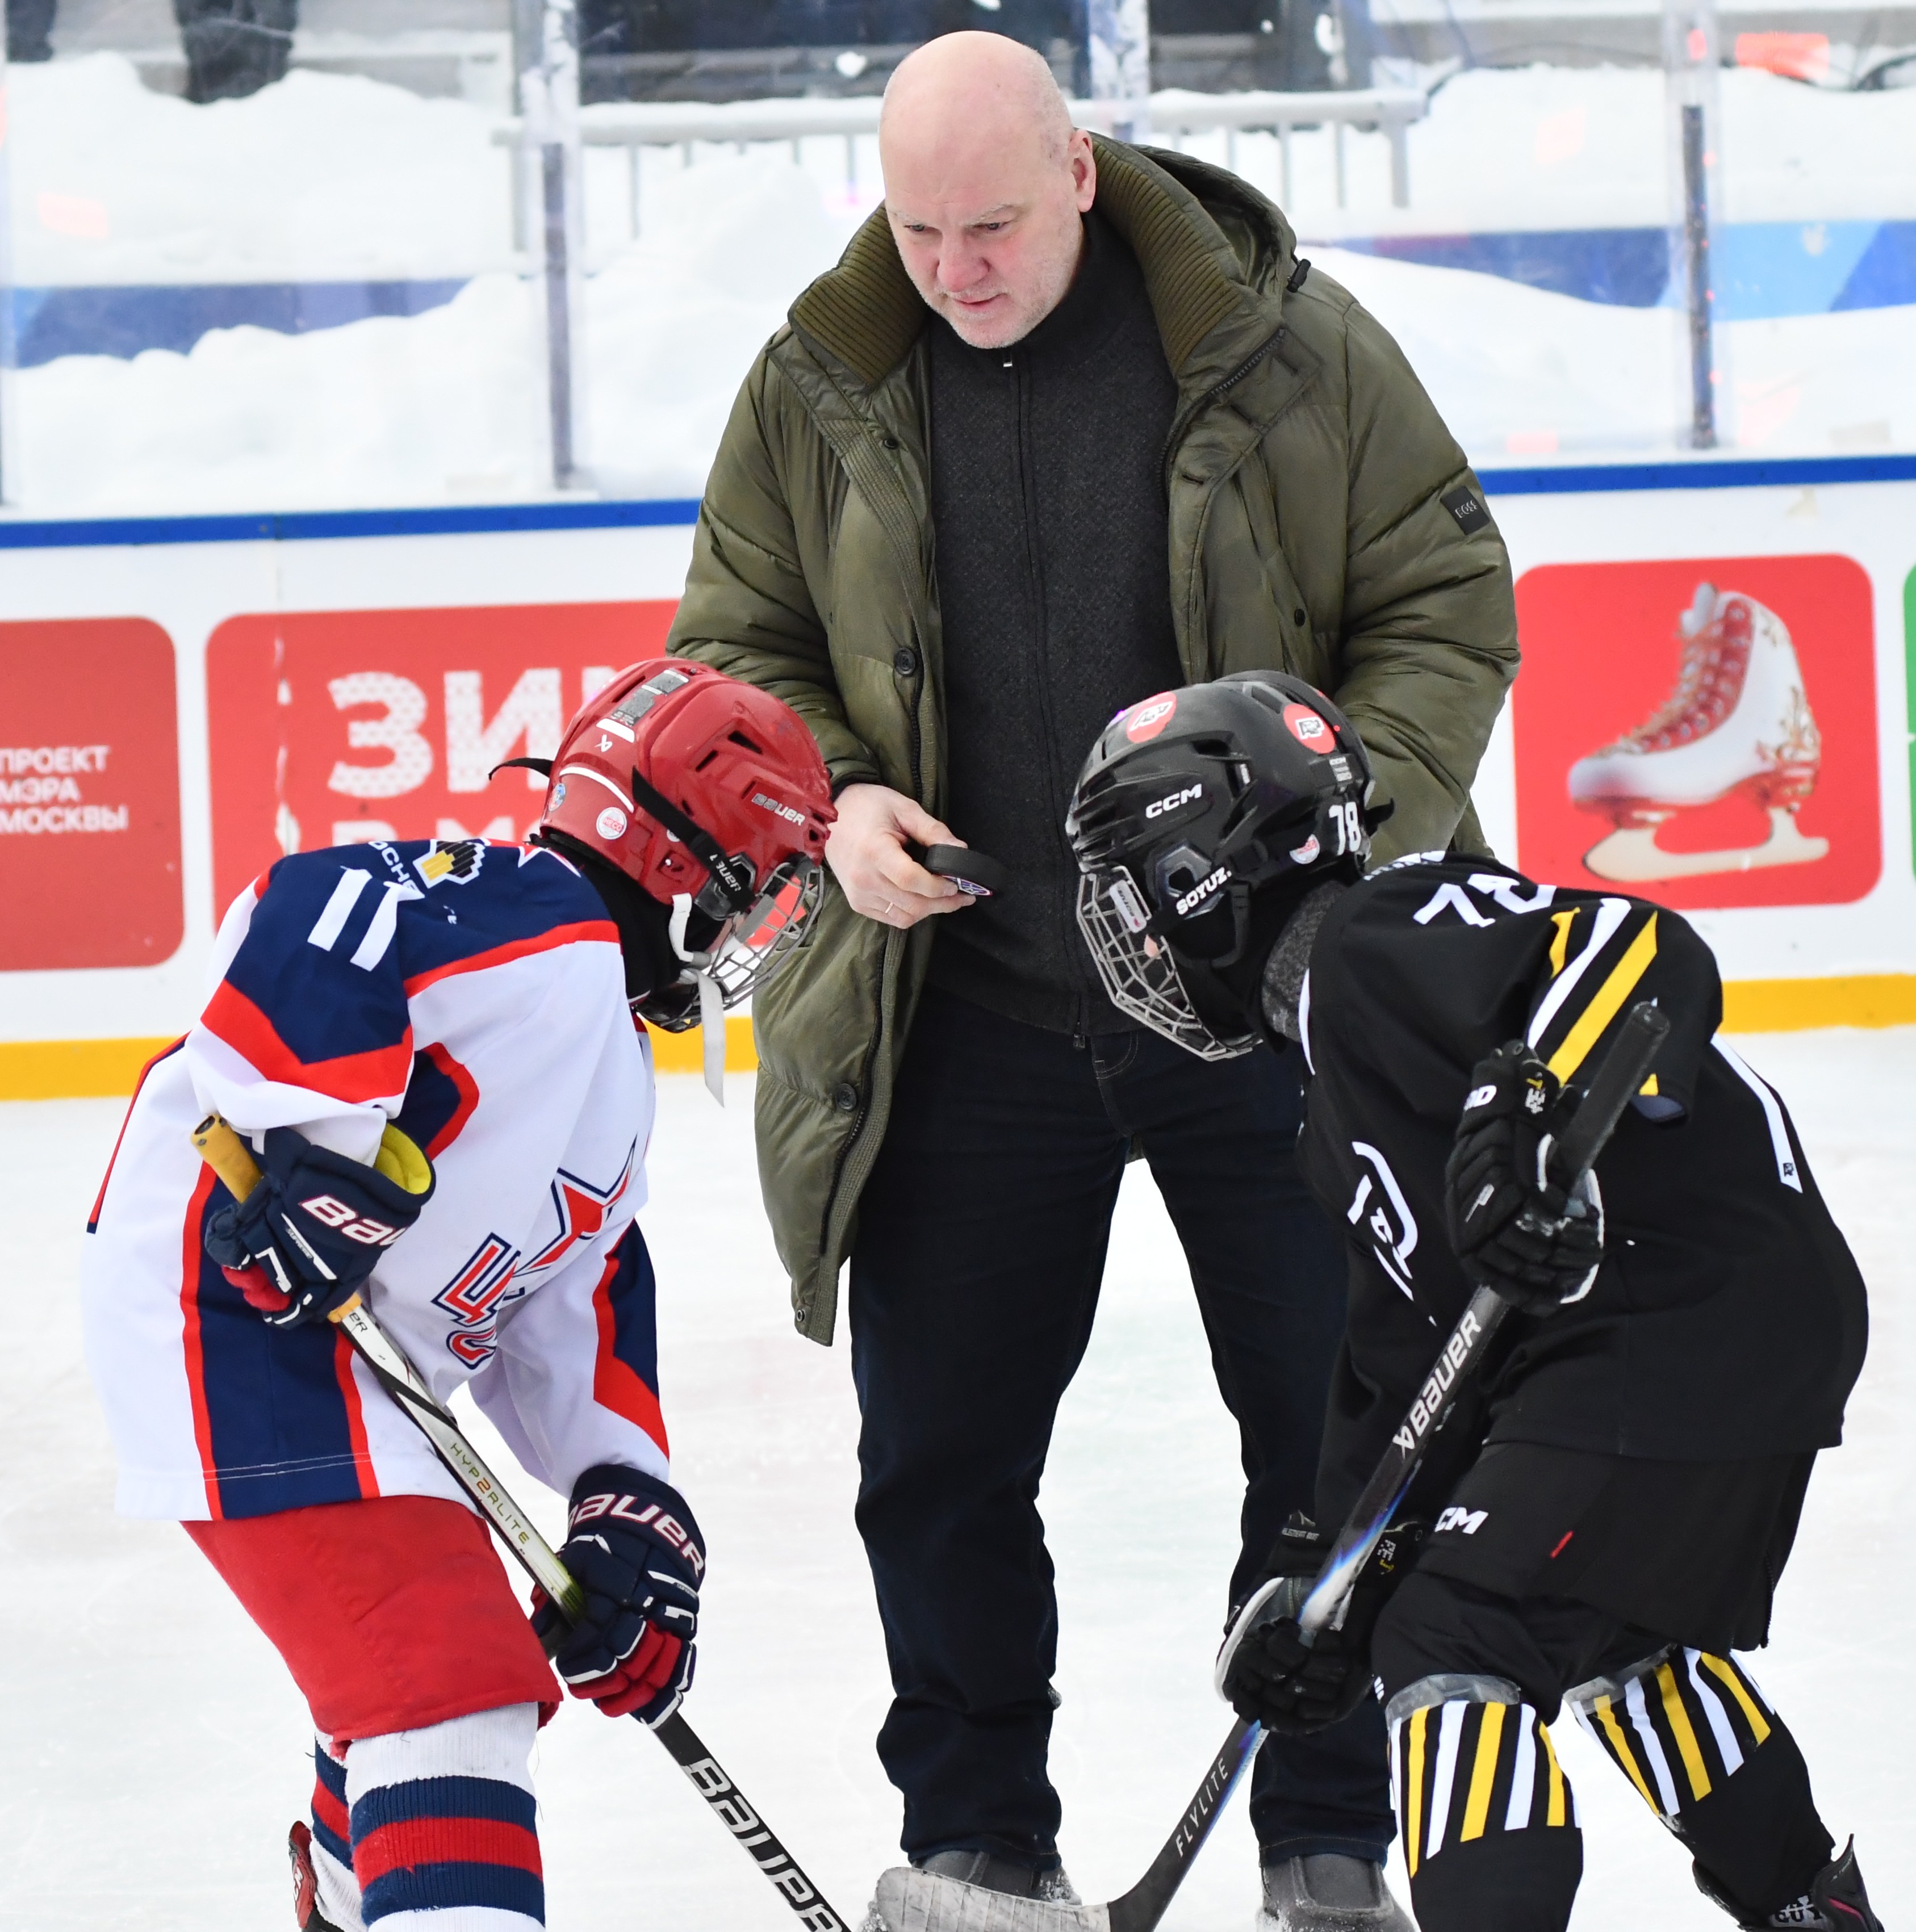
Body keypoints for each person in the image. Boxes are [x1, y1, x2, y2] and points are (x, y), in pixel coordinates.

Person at [667, 27, 1517, 1929]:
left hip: (1269, 1005)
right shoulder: (819, 379)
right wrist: (839, 802)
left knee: (1333, 1426)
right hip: (959, 1005)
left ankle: (1325, 1840)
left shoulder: (1289, 350)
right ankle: (978, 1843)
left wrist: (1332, 809)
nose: (954, 267)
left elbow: (1445, 598)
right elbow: (737, 642)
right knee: (941, 1456)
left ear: (1078, 171)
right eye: (915, 228)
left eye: (987, 222)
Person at [1063, 671, 1880, 1932]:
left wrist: (1527, 1110)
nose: (1122, 934)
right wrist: (1324, 1582)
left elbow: (1635, 947)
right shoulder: (1330, 1110)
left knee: (1461, 1631)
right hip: (1721, 1325)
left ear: (1196, 876)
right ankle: (1812, 1908)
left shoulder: (1379, 934)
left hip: (1677, 1305)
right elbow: (1405, 1381)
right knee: (1602, 1633)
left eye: (1124, 889)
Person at [81, 662, 834, 1932]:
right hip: (230, 1311)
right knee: (450, 1685)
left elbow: (573, 1295)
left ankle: (341, 1884)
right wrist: (308, 1134)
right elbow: (319, 901)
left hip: (337, 1362)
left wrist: (623, 1499)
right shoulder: (538, 919)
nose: (762, 934)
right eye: (761, 895)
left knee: (413, 1669)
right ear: (690, 875)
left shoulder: (611, 1087)